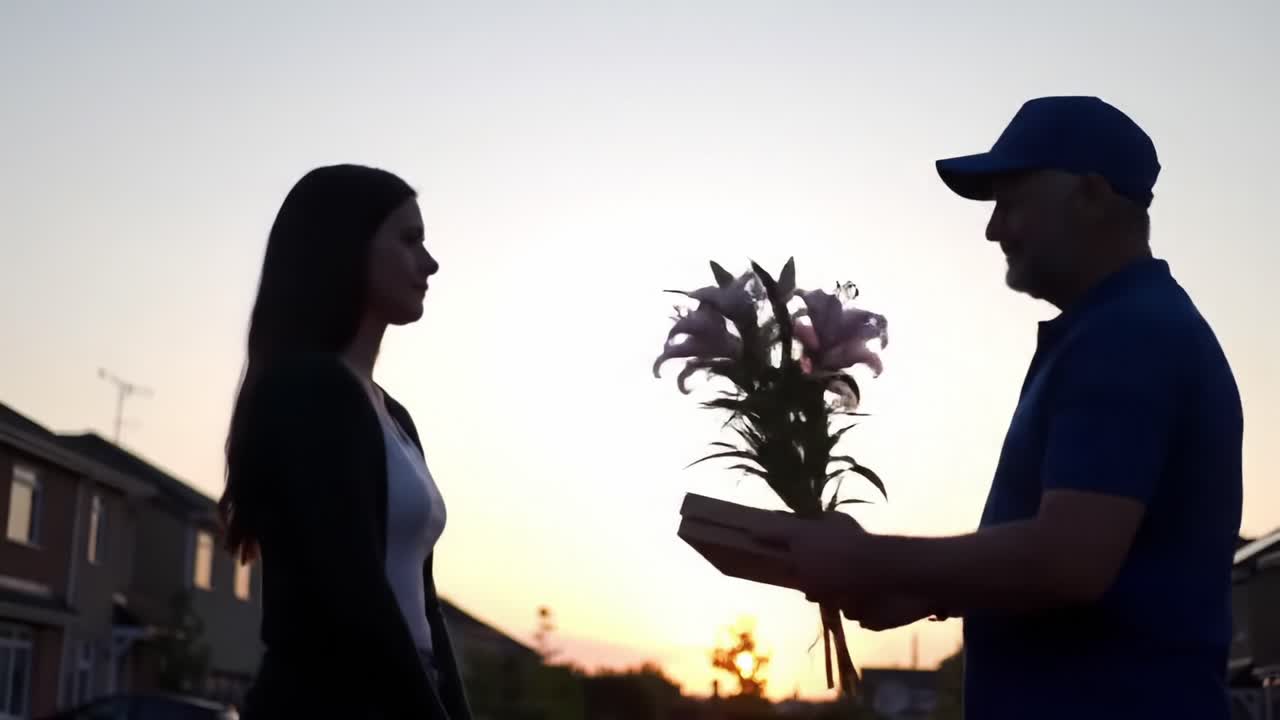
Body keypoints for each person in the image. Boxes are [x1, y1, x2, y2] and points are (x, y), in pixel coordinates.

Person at [785, 97, 1243, 718]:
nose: (993, 228)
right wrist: (927, 591)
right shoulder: (1119, 328)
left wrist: (865, 559)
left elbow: (1068, 560)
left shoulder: (1129, 334)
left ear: (1090, 194)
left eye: (1012, 199)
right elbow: (1089, 563)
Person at [218, 164, 472, 719]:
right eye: (409, 240)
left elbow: (422, 608)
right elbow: (354, 595)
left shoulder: (392, 415)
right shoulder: (308, 390)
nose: (430, 263)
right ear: (347, 247)